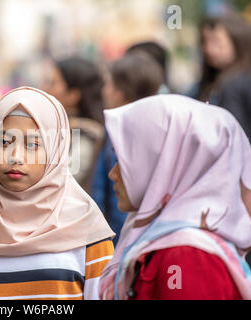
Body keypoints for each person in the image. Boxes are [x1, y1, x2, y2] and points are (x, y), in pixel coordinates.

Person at [0, 87, 115, 300]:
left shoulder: (87, 230)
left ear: (56, 151)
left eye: (33, 145)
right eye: (4, 142)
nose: (15, 156)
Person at [99, 94, 251, 300]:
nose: (113, 173)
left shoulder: (185, 254)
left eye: (123, 160)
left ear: (165, 164)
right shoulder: (169, 240)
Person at [92, 51, 164, 245]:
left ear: (120, 92)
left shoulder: (123, 133)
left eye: (108, 84)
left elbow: (115, 201)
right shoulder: (156, 128)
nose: (103, 91)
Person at [43, 57, 105, 191]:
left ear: (73, 95)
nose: (45, 88)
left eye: (52, 83)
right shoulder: (59, 128)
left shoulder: (86, 136)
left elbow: (59, 182)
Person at [189, 14, 251, 139]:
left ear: (237, 42)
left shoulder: (239, 85)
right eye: (204, 42)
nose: (208, 49)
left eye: (216, 41)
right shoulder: (202, 86)